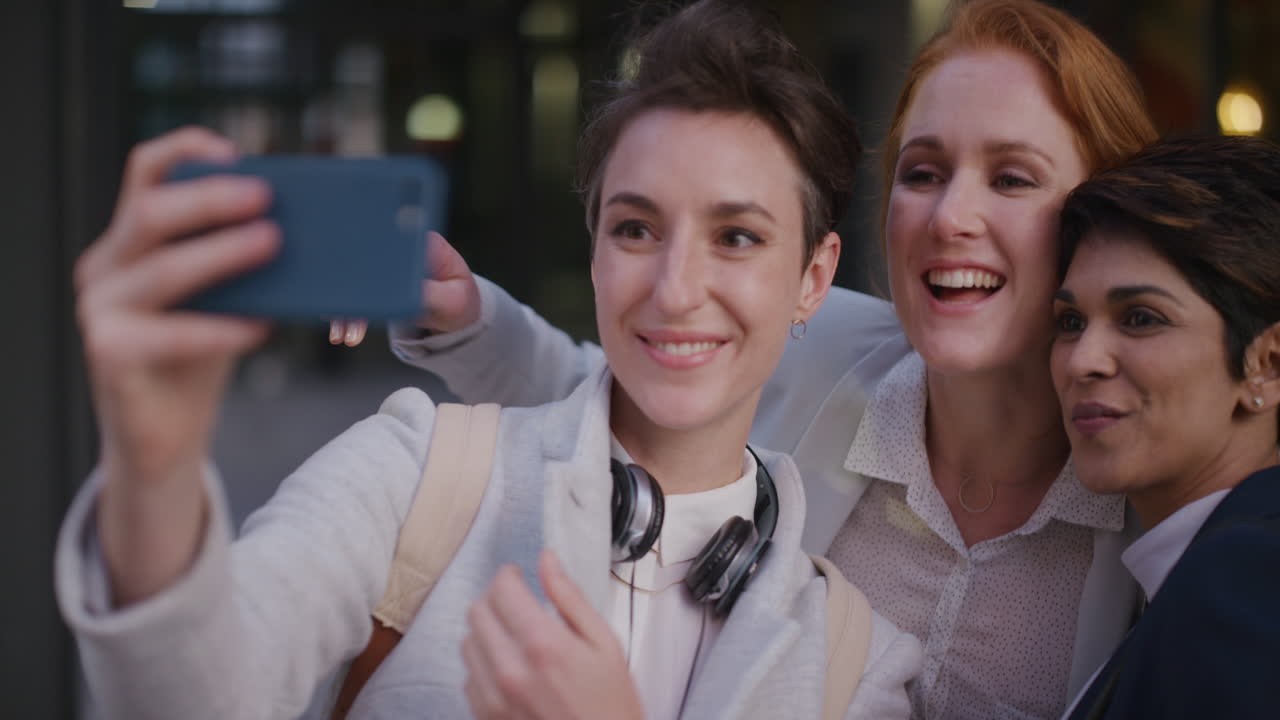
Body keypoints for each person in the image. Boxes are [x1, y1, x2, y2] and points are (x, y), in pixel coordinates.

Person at [55, 2, 921, 719]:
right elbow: (193, 699)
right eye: (635, 228)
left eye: (736, 236)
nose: (675, 287)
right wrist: (155, 465)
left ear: (813, 278)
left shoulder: (859, 664)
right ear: (594, 249)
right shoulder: (419, 477)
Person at [360, 0, 1160, 717]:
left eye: (1012, 178)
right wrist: (466, 315)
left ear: (1102, 222)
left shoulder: (1157, 502)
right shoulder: (819, 339)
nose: (951, 214)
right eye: (923, 173)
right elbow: (611, 398)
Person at [1051, 134, 1280, 719]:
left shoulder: (1244, 580)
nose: (1084, 360)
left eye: (1141, 318)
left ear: (1269, 365)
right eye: (1070, 321)